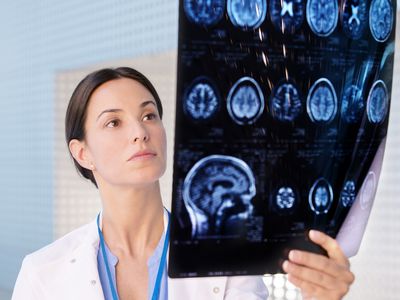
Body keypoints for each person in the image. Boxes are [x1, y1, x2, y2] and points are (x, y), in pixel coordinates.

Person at [12, 67, 354, 300]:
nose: (140, 132)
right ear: (83, 153)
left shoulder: (224, 262)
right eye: (114, 122)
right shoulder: (43, 273)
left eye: (149, 115)